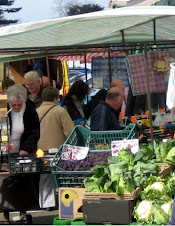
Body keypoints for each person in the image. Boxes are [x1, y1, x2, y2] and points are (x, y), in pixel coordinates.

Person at [0, 84, 40, 223]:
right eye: (13, 104)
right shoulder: (4, 111)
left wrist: (25, 148)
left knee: (23, 182)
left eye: (19, 104)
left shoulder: (30, 110)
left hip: (23, 151)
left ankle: (23, 212)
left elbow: (34, 133)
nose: (16, 107)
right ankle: (5, 215)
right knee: (6, 183)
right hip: (6, 150)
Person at [36, 86, 74, 211]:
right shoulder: (60, 111)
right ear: (55, 98)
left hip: (40, 151)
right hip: (58, 150)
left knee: (45, 176)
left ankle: (46, 203)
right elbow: (70, 131)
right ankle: (66, 202)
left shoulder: (36, 111)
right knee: (63, 176)